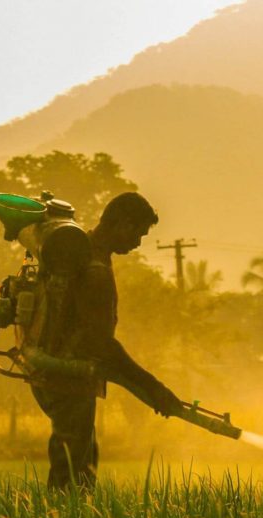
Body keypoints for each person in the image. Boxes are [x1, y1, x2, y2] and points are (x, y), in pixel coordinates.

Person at [28, 191, 181, 489]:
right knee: (70, 474)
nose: (138, 243)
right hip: (70, 377)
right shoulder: (94, 270)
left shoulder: (81, 250)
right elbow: (103, 346)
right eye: (138, 233)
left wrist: (147, 389)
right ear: (122, 224)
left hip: (51, 372)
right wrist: (154, 387)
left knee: (83, 467)